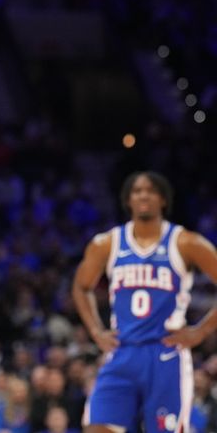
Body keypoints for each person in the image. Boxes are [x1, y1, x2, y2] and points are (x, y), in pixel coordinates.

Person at [72, 171, 217, 433]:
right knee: (96, 428)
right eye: (137, 191)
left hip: (165, 354)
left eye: (150, 190)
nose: (143, 195)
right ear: (128, 200)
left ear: (163, 199)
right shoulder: (107, 244)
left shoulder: (186, 242)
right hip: (122, 350)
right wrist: (95, 330)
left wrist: (201, 331)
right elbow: (81, 287)